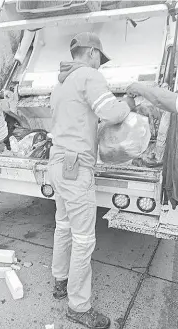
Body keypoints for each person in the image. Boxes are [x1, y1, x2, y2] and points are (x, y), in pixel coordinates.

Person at [48, 32, 133, 328]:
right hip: (76, 168)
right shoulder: (89, 76)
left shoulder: (60, 82)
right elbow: (110, 112)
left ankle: (60, 281)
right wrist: (129, 105)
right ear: (93, 53)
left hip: (57, 163)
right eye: (100, 59)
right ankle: (79, 306)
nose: (101, 65)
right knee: (84, 240)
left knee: (63, 226)